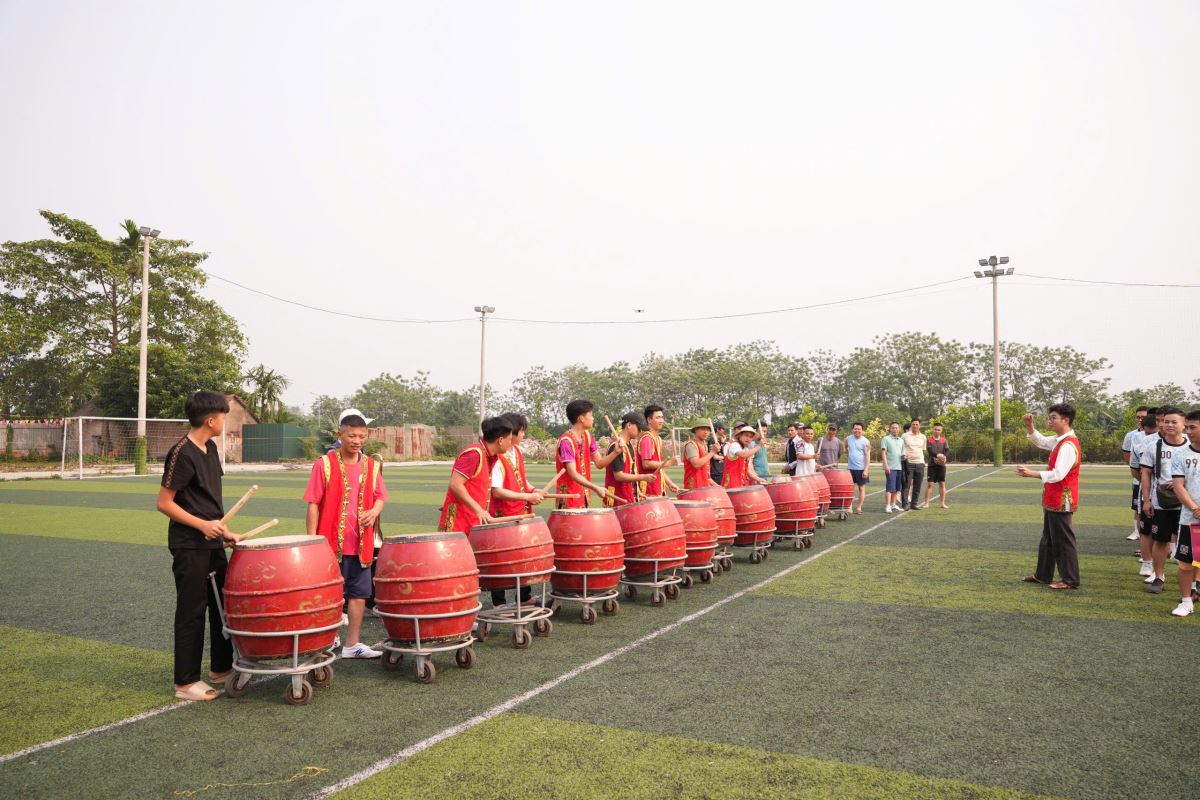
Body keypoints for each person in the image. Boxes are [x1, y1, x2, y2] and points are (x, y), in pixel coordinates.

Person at [157, 391, 240, 701]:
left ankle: (221, 668)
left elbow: (206, 501)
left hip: (212, 543)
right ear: (211, 420)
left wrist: (223, 530)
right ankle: (186, 682)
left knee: (222, 606)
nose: (224, 422)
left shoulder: (211, 448)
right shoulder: (181, 452)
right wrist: (203, 526)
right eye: (223, 417)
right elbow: (164, 503)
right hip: (189, 545)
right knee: (192, 611)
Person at [305, 409, 388, 659]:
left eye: (362, 436)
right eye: (352, 436)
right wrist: (312, 541)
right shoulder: (324, 464)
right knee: (329, 596)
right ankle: (328, 639)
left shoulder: (372, 465)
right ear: (340, 435)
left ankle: (352, 644)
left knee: (359, 595)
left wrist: (374, 511)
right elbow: (313, 503)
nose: (357, 441)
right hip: (329, 544)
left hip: (361, 544)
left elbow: (380, 497)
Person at [1016, 404, 1082, 590]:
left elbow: (1059, 474)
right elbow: (1041, 441)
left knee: (1063, 541)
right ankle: (1043, 575)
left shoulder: (1067, 445)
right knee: (1049, 539)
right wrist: (1030, 426)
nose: (1049, 421)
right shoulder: (1060, 440)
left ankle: (1070, 580)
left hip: (1062, 498)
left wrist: (1032, 473)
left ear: (1065, 420)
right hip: (1054, 497)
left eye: (1053, 418)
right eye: (1049, 417)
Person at [488, 412, 546, 608]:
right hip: (502, 515)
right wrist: (527, 497)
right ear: (511, 433)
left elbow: (521, 479)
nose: (523, 435)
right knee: (500, 558)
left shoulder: (517, 452)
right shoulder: (497, 457)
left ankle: (524, 596)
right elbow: (496, 491)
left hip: (519, 511)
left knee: (523, 555)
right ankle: (499, 602)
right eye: (522, 431)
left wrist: (533, 490)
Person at [1138, 406, 1187, 595]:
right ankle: (1158, 577)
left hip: (1189, 504)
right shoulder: (1153, 446)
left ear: (1183, 425)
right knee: (1160, 540)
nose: (1169, 425)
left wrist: (1180, 483)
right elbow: (1145, 474)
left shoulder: (1192, 446)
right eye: (1166, 421)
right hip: (1162, 502)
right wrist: (1146, 500)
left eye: (1174, 422)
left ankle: (1194, 582)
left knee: (1193, 542)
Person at [439, 415, 514, 532]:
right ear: (500, 441)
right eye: (509, 439)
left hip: (471, 519)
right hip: (458, 522)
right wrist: (479, 510)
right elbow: (455, 484)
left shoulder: (489, 456)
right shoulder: (474, 454)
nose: (511, 443)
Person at [556, 399, 618, 508]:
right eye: (591, 415)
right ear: (581, 418)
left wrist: (616, 452)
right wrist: (596, 488)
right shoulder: (566, 441)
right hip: (569, 497)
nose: (593, 418)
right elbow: (573, 473)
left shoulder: (588, 436)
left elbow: (599, 463)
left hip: (583, 496)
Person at [1167, 409, 1200, 617]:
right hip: (1190, 520)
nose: (1187, 431)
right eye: (1186, 427)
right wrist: (1195, 509)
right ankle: (1186, 602)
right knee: (1186, 564)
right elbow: (1178, 486)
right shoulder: (1181, 454)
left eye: (1192, 427)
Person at [606, 412, 673, 505]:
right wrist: (643, 477)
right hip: (617, 499)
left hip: (627, 497)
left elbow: (630, 472)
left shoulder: (629, 446)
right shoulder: (616, 446)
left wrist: (637, 491)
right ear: (629, 425)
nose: (640, 431)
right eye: (638, 428)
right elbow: (619, 476)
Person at [1132, 412, 1159, 578]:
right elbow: (1135, 469)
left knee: (1166, 533)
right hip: (1148, 493)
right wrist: (1146, 483)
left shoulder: (1184, 443)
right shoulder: (1142, 443)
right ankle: (1147, 563)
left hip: (1175, 495)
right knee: (1146, 530)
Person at [637, 404, 680, 497]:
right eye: (658, 417)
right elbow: (646, 464)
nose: (661, 420)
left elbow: (659, 468)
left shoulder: (658, 439)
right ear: (649, 420)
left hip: (657, 487)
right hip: (648, 489)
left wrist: (669, 483)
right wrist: (669, 463)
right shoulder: (647, 439)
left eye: (662, 417)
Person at [1122, 406, 1150, 541]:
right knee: (1137, 506)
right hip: (1138, 478)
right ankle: (1136, 531)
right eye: (1138, 417)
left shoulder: (1159, 434)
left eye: (1143, 417)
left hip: (1154, 480)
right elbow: (1127, 458)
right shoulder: (1131, 435)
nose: (1140, 420)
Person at [722, 424, 767, 488]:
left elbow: (749, 470)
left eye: (751, 437)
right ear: (740, 435)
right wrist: (759, 446)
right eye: (746, 435)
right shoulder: (734, 445)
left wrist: (759, 479)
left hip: (740, 483)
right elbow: (743, 455)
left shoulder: (746, 449)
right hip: (731, 483)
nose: (748, 438)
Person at [683, 419, 718, 489]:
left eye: (708, 430)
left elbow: (706, 473)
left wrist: (717, 486)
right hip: (694, 486)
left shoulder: (704, 445)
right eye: (703, 429)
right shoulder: (691, 445)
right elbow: (696, 464)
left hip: (703, 485)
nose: (706, 432)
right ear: (696, 430)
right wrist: (713, 452)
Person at [901, 419, 927, 511]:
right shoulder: (905, 436)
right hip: (908, 463)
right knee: (906, 485)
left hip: (920, 463)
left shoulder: (923, 437)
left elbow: (922, 449)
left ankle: (914, 504)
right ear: (911, 425)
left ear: (919, 425)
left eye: (916, 424)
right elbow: (901, 448)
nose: (915, 426)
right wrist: (903, 456)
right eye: (913, 424)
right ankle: (905, 504)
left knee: (917, 485)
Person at [923, 423, 951, 509]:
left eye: (939, 430)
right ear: (933, 429)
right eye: (935, 429)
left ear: (941, 431)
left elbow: (947, 450)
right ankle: (926, 503)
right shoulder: (929, 440)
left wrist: (944, 457)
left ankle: (942, 503)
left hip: (941, 465)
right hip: (932, 465)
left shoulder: (944, 440)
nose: (937, 431)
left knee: (942, 483)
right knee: (930, 484)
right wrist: (938, 455)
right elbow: (930, 451)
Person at [845, 422, 871, 513]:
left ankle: (859, 507)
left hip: (861, 469)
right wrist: (847, 451)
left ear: (862, 430)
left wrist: (866, 470)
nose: (857, 430)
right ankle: (849, 507)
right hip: (850, 468)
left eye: (859, 429)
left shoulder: (866, 441)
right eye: (855, 429)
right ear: (853, 429)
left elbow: (868, 456)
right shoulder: (848, 438)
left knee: (861, 488)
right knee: (850, 488)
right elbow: (846, 447)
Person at [880, 422, 905, 513]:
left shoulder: (901, 440)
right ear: (890, 429)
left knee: (896, 488)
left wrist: (904, 456)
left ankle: (893, 505)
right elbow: (883, 453)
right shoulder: (885, 439)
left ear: (899, 429)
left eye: (896, 428)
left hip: (899, 467)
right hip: (890, 467)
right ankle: (888, 506)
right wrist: (886, 465)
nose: (895, 429)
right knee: (890, 487)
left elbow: (902, 453)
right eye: (893, 428)